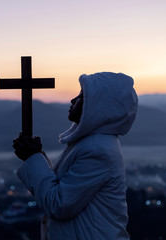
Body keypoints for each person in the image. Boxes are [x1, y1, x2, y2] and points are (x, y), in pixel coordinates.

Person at [13, 72, 138, 240]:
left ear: (98, 106)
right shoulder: (89, 143)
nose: (73, 100)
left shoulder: (97, 149)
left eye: (82, 96)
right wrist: (37, 156)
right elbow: (63, 186)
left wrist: (32, 158)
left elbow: (59, 205)